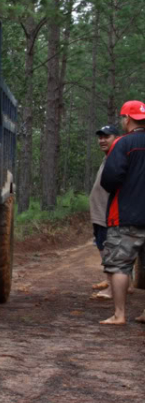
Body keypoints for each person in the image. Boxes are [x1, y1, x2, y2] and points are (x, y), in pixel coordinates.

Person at [99, 100, 145, 325]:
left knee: (120, 265)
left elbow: (110, 178)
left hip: (126, 215)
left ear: (127, 119)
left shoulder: (123, 144)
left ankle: (120, 314)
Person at [89, 125, 119, 299]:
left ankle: (112, 289)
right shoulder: (108, 157)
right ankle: (113, 282)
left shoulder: (116, 156)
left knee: (109, 249)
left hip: (108, 214)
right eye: (100, 137)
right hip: (100, 213)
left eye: (106, 137)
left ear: (116, 137)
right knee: (104, 247)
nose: (102, 140)